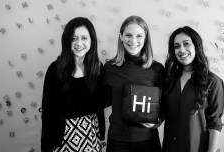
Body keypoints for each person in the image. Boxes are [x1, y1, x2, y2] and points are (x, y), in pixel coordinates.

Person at [41, 17, 105, 152]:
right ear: (66, 41)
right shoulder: (55, 70)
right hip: (63, 138)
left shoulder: (98, 68)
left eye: (84, 38)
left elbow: (103, 101)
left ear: (92, 41)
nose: (79, 43)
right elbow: (47, 112)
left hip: (91, 136)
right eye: (73, 38)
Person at [102, 15, 164, 152]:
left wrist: (157, 121)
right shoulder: (109, 68)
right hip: (117, 141)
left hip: (147, 141)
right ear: (121, 37)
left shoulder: (157, 69)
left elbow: (164, 105)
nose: (133, 41)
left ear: (146, 37)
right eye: (128, 35)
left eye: (139, 36)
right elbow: (102, 101)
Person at [162, 26, 224, 152]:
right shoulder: (169, 79)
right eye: (176, 46)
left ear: (196, 46)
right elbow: (162, 112)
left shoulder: (213, 82)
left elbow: (215, 124)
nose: (181, 50)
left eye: (186, 44)